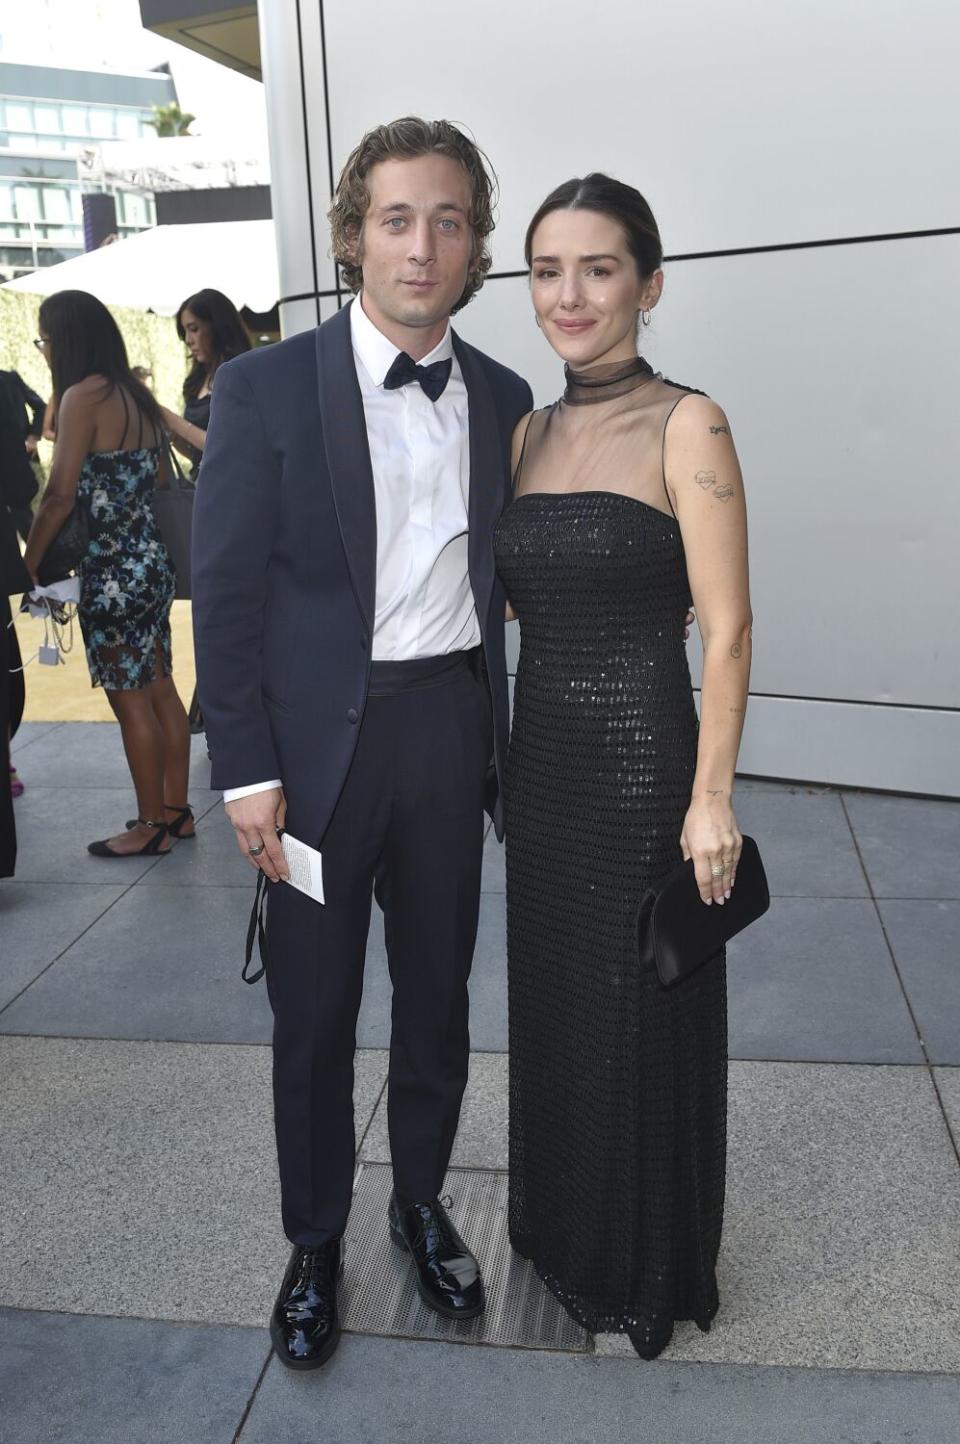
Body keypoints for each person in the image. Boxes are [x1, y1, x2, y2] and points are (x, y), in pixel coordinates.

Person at [192, 117, 532, 1371]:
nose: (423, 244)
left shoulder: (501, 395)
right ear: (353, 237)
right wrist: (246, 770)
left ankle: (422, 1200)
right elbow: (222, 597)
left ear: (476, 241)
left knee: (438, 995)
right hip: (312, 758)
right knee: (314, 1017)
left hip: (449, 729)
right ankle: (315, 1238)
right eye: (397, 218)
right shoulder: (265, 386)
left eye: (449, 218)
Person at [493, 175, 752, 1359]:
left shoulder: (687, 421)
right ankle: (562, 1225)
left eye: (598, 268)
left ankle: (643, 1260)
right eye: (548, 269)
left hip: (647, 768)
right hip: (540, 769)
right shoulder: (526, 432)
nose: (570, 293)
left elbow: (731, 626)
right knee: (558, 1008)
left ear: (649, 284)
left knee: (639, 1018)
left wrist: (711, 799)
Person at [23, 290, 195, 856]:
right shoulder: (134, 394)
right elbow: (160, 484)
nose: (44, 350)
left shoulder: (80, 397)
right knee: (161, 688)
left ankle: (149, 827)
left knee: (129, 701)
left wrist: (27, 567)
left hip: (112, 572)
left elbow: (59, 495)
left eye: (45, 339)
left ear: (67, 338)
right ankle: (176, 812)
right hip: (150, 563)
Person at [160, 288, 251, 474]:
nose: (188, 340)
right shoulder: (196, 380)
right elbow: (197, 455)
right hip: (202, 485)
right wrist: (172, 435)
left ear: (217, 327)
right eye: (184, 332)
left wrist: (174, 420)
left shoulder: (239, 375)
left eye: (194, 329)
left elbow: (224, 445)